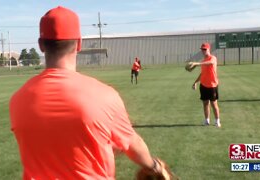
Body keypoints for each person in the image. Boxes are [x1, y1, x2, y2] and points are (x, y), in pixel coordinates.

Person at [9, 6, 163, 179]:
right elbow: (132, 144)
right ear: (79, 43)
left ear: (41, 45)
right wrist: (155, 166)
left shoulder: (18, 100)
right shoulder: (104, 95)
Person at [190, 43, 221, 128]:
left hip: (212, 85)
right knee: (205, 103)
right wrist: (195, 82)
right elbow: (202, 74)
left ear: (208, 49)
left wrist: (197, 64)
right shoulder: (203, 61)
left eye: (205, 49)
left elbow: (210, 63)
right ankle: (207, 120)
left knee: (214, 104)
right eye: (202, 49)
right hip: (203, 85)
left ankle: (217, 121)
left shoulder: (213, 58)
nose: (203, 51)